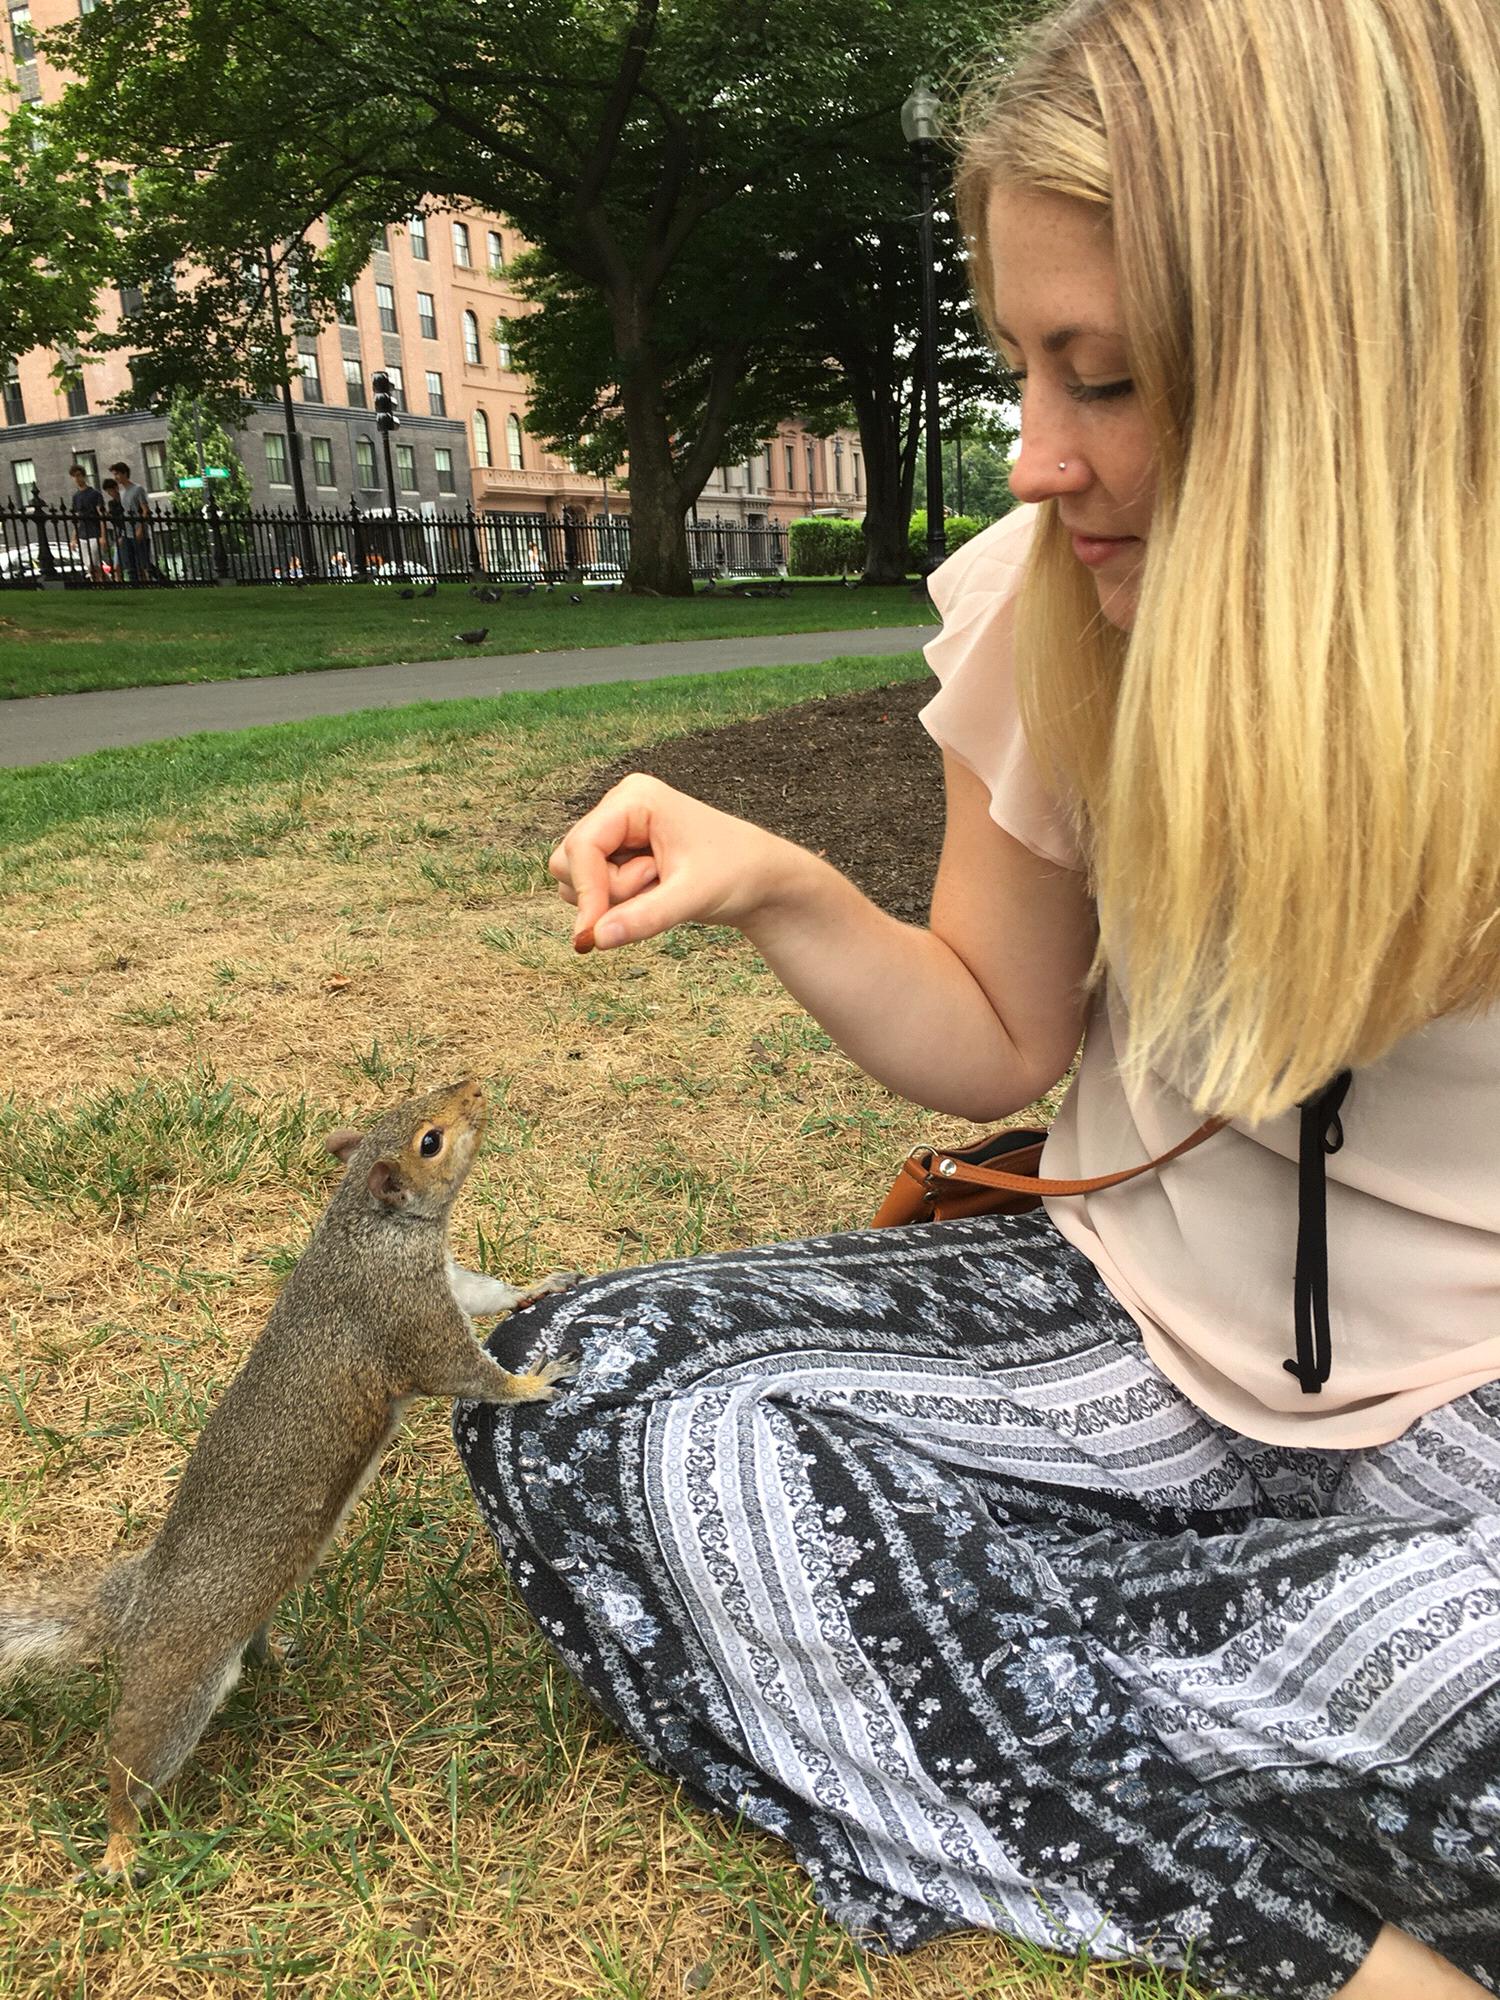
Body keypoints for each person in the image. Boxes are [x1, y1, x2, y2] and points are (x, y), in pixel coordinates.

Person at [454, 2, 1500, 1995]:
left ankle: (941, 1647)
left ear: (1354, 377)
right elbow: (1002, 1038)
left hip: (1466, 1434)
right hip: (1101, 1340)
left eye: (1100, 376)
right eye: (1021, 361)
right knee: (567, 1393)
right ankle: (1335, 1926)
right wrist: (784, 883)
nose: (1034, 454)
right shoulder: (1051, 599)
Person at [108, 461, 151, 585]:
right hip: (127, 533)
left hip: (138, 531)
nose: (116, 477)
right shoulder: (122, 493)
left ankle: (148, 585)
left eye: (117, 474)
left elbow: (145, 510)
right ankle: (135, 586)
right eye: (114, 475)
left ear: (125, 473)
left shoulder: (137, 489)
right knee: (130, 565)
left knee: (142, 564)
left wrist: (141, 528)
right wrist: (122, 534)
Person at [66, 464, 105, 581]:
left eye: (78, 475)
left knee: (95, 563)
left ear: (84, 476)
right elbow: (77, 519)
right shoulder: (76, 497)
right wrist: (73, 538)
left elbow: (101, 515)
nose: (77, 479)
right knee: (88, 565)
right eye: (74, 476)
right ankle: (95, 583)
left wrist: (103, 536)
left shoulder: (95, 494)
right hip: (82, 534)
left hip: (95, 533)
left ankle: (102, 582)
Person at [100, 478, 127, 581]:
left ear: (115, 488)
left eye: (110, 491)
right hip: (119, 533)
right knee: (117, 566)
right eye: (107, 491)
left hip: (126, 532)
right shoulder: (112, 503)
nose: (109, 493)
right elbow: (114, 520)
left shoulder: (124, 500)